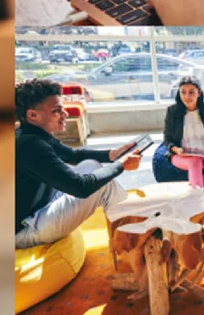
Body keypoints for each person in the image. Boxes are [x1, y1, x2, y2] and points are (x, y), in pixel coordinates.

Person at [15, 79, 142, 249]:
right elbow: (80, 187)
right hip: (25, 229)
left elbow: (73, 155)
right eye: (57, 111)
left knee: (91, 164)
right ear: (33, 115)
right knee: (103, 186)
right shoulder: (29, 145)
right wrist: (121, 165)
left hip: (41, 206)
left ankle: (129, 228)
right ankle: (134, 239)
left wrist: (113, 155)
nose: (65, 114)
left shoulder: (33, 134)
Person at [162, 76, 204, 189]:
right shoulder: (172, 112)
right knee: (195, 161)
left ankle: (200, 195)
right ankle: (200, 197)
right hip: (182, 156)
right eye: (183, 92)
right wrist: (176, 149)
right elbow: (167, 140)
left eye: (191, 92)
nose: (187, 97)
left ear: (199, 93)